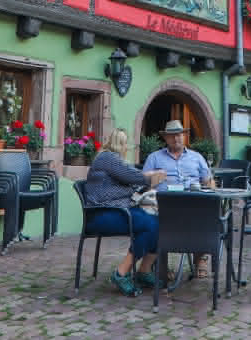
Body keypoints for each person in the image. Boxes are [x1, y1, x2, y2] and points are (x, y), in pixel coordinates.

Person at [84, 129, 163, 297]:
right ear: (119, 144)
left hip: (114, 211)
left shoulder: (108, 160)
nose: (126, 146)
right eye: (124, 142)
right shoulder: (108, 158)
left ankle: (144, 271)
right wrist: (152, 176)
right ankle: (120, 274)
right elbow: (133, 176)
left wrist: (145, 178)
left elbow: (130, 180)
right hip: (102, 215)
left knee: (157, 223)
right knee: (150, 225)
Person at [141, 121, 215, 278]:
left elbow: (209, 181)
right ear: (166, 138)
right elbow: (144, 184)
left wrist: (210, 185)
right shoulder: (154, 158)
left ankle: (200, 258)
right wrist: (154, 179)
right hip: (164, 205)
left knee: (206, 212)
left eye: (179, 134)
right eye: (172, 135)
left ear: (185, 136)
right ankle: (161, 264)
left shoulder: (197, 157)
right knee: (155, 220)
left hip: (193, 202)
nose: (176, 138)